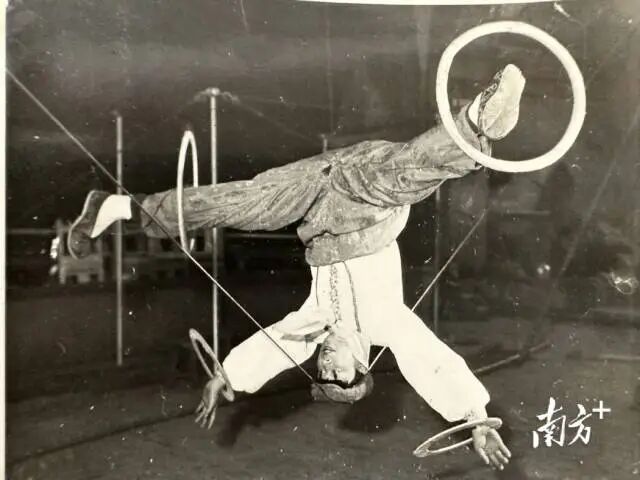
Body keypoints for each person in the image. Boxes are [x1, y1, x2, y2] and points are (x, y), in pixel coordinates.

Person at [68, 64, 526, 470]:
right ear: (362, 364)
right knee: (405, 172)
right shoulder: (386, 325)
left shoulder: (313, 325)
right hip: (368, 201)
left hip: (316, 197)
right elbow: (431, 362)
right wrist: (475, 417)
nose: (326, 366)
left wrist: (227, 377)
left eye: (322, 374)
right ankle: (478, 120)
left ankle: (116, 209)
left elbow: (274, 348)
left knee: (242, 202)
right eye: (339, 374)